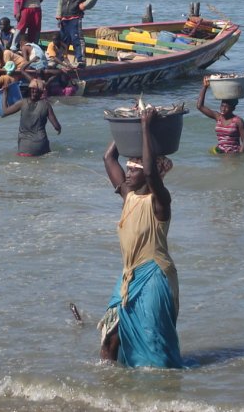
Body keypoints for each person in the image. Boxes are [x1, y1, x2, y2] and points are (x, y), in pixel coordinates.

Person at [100, 107, 182, 368]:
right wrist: (129, 124)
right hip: (129, 275)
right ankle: (109, 385)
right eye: (128, 170)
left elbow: (150, 173)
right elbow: (108, 157)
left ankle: (160, 389)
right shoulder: (128, 196)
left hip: (154, 276)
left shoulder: (160, 202)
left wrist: (146, 128)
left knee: (153, 339)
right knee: (110, 336)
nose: (127, 175)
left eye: (132, 171)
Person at [1, 78, 61, 157]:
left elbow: (5, 111)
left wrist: (5, 93)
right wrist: (59, 129)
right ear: (41, 92)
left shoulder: (22, 103)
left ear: (30, 90)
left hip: (24, 148)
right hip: (41, 146)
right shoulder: (46, 105)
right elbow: (56, 126)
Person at [56, 0, 97, 67]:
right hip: (65, 19)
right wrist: (58, 14)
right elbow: (60, 1)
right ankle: (60, 60)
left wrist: (84, 5)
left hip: (75, 17)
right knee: (63, 40)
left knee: (77, 39)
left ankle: (81, 60)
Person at [196, 77, 244, 154]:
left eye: (226, 107)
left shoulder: (238, 121)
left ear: (233, 108)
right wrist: (205, 87)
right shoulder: (218, 117)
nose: (223, 109)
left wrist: (240, 157)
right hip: (221, 151)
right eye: (222, 106)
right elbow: (199, 106)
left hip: (234, 153)